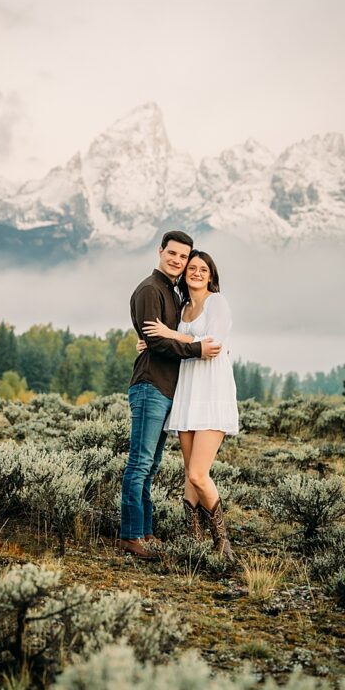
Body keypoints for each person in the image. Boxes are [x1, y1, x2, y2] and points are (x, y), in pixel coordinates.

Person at [119, 231, 222, 560]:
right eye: (173, 254)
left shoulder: (173, 292)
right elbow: (158, 341)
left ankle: (146, 532)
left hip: (166, 390)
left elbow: (161, 336)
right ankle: (131, 536)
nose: (178, 261)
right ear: (160, 252)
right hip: (150, 386)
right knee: (139, 464)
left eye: (183, 256)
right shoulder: (150, 289)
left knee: (151, 466)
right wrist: (195, 348)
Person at [140, 249, 238, 559]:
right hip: (188, 394)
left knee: (198, 473)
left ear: (211, 275)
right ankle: (193, 539)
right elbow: (174, 342)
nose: (196, 273)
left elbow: (212, 344)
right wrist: (153, 342)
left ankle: (223, 543)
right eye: (191, 268)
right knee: (188, 474)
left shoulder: (217, 303)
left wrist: (169, 335)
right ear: (185, 275)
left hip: (211, 393)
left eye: (202, 269)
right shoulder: (182, 310)